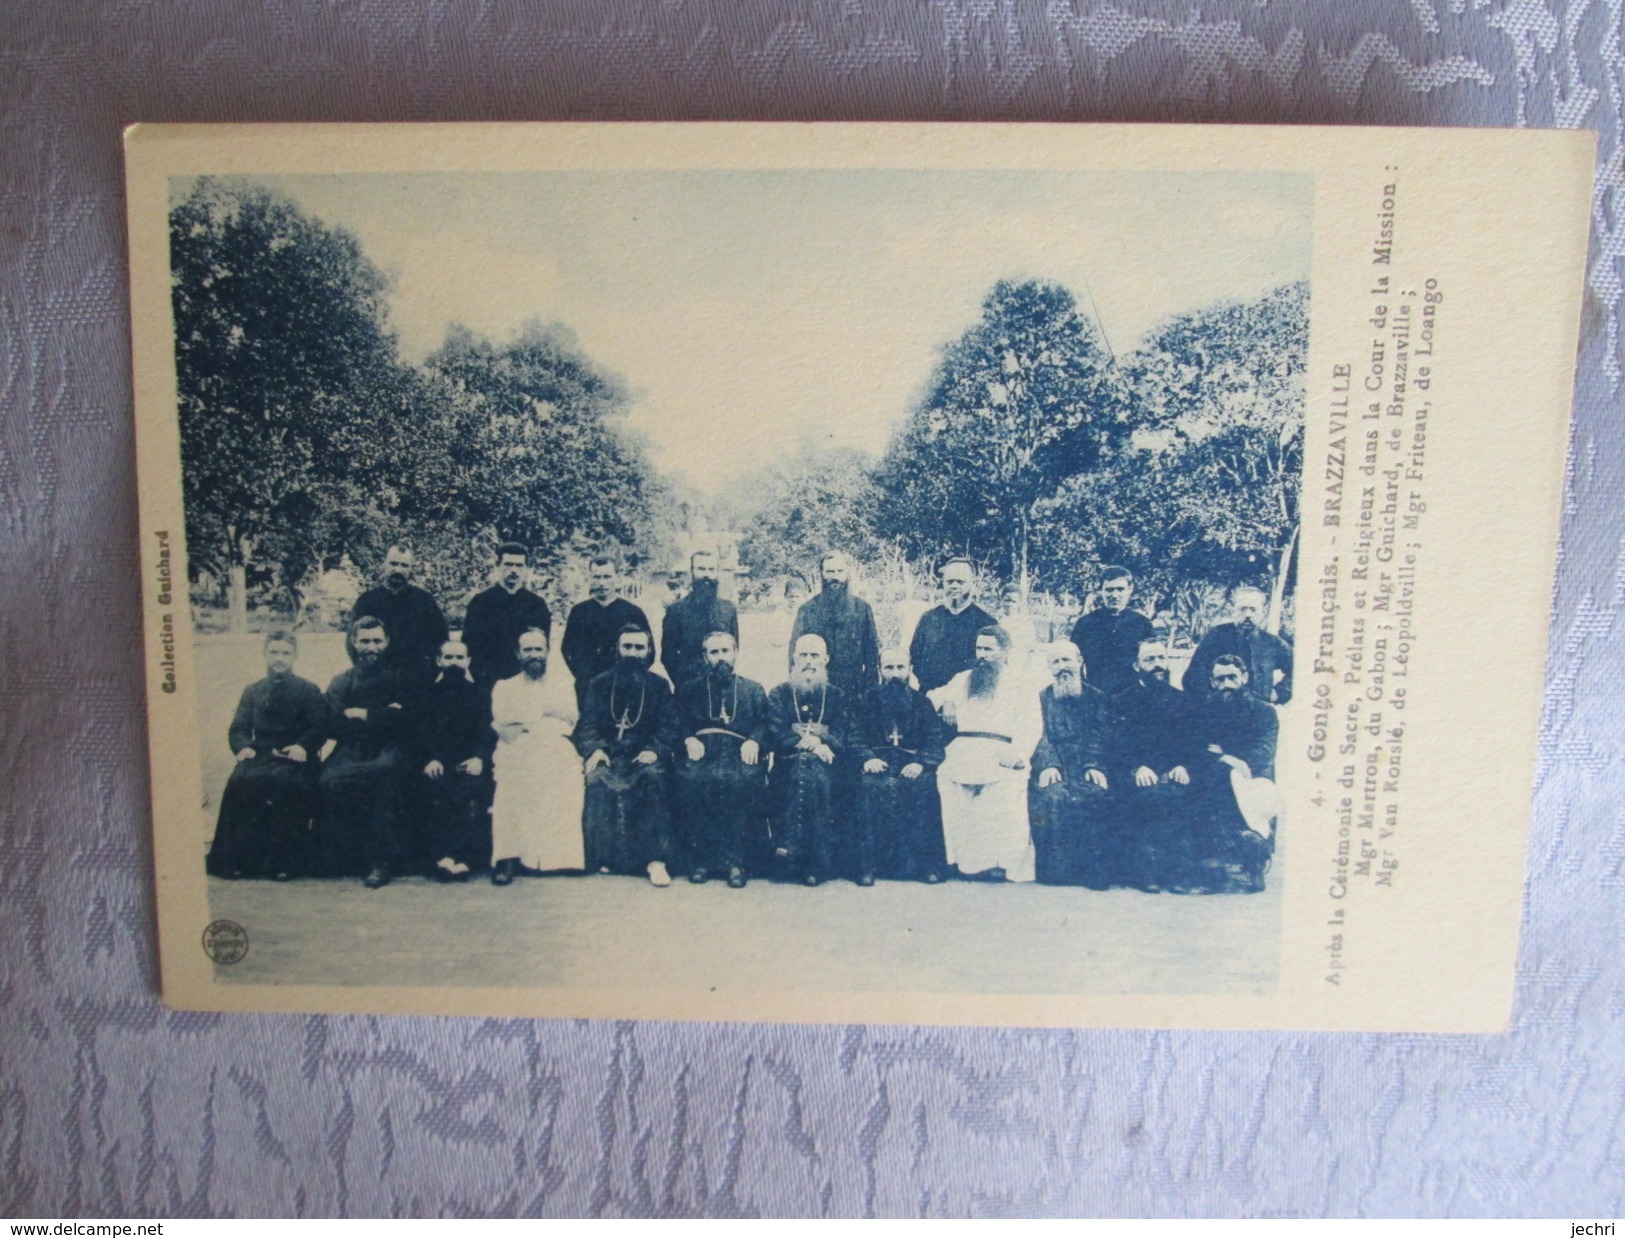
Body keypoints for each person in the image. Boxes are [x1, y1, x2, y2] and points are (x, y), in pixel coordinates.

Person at [205, 630, 325, 881]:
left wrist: (303, 746)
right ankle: (237, 860)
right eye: (274, 652)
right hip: (261, 754)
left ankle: (284, 862)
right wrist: (243, 747)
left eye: (285, 653)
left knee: (286, 784)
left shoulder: (308, 690)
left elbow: (319, 727)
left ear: (295, 656)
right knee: (240, 782)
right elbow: (238, 727)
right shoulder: (253, 691)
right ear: (264, 654)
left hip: (296, 756)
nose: (279, 658)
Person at [928, 624, 1042, 882]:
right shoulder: (963, 678)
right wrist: (945, 702)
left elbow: (1032, 725)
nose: (981, 655)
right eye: (979, 648)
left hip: (1002, 750)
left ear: (1005, 652)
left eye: (988, 649)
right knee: (948, 781)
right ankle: (962, 862)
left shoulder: (1021, 683)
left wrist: (1018, 754)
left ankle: (999, 863)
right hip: (964, 749)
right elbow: (932, 695)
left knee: (1003, 788)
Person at [315, 616, 414, 887]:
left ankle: (382, 860)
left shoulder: (400, 678)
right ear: (354, 643)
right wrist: (383, 715)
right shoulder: (341, 681)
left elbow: (405, 722)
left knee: (385, 774)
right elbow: (334, 724)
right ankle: (346, 856)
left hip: (389, 748)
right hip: (352, 748)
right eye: (365, 641)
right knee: (328, 779)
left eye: (377, 641)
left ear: (387, 643)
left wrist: (362, 714)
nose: (372, 647)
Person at [575, 625, 676, 886]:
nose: (632, 653)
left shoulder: (659, 685)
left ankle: (655, 860)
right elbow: (587, 724)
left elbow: (669, 726)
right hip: (609, 755)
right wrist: (595, 748)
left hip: (644, 756)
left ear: (648, 651)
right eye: (627, 647)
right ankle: (606, 856)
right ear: (617, 650)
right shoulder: (599, 683)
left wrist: (654, 750)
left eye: (639, 648)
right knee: (596, 778)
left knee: (653, 779)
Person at [672, 630, 769, 887]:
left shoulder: (753, 689)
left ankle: (736, 862)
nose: (721, 657)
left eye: (725, 651)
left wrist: (755, 740)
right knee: (694, 780)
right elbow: (677, 721)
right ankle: (700, 861)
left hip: (740, 750)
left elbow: (764, 723)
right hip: (703, 749)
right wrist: (688, 738)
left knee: (742, 782)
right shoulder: (690, 688)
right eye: (714, 652)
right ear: (705, 657)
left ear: (736, 652)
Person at [489, 627, 584, 884]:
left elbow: (569, 720)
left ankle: (560, 858)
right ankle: (508, 857)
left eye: (538, 649)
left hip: (555, 746)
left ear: (547, 652)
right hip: (516, 748)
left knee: (567, 778)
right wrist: (543, 716)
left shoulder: (563, 685)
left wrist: (528, 720)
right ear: (518, 654)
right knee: (512, 782)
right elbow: (505, 726)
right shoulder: (504, 687)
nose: (534, 655)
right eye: (527, 650)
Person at [1183, 654, 1279, 893]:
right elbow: (1195, 749)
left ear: (1244, 678)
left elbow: (1263, 752)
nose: (1227, 684)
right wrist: (1225, 758)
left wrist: (1226, 755)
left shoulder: (1264, 712)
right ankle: (1213, 866)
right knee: (1207, 785)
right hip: (1216, 777)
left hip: (1252, 779)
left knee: (1256, 800)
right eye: (1220, 679)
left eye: (1232, 677)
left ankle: (1254, 863)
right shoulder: (1204, 711)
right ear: (1213, 682)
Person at [1107, 638, 1196, 892]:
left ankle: (1178, 873)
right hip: (1135, 772)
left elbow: (1191, 741)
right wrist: (1137, 767)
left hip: (1172, 771)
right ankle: (1147, 872)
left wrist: (1181, 764)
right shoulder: (1121, 700)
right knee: (1145, 796)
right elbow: (1116, 744)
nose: (1157, 665)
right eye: (1149, 659)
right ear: (1136, 665)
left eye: (1161, 658)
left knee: (1180, 795)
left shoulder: (1182, 701)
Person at [854, 647, 948, 884]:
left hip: (911, 763)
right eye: (888, 668)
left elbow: (935, 741)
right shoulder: (865, 700)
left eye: (900, 668)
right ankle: (867, 866)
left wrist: (921, 763)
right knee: (868, 788)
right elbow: (854, 737)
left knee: (925, 787)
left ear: (909, 670)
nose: (895, 674)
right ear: (879, 671)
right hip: (878, 762)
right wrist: (867, 757)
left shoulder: (922, 703)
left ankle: (927, 866)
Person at [765, 634, 852, 885]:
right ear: (794, 658)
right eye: (803, 655)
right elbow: (776, 733)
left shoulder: (837, 696)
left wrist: (824, 743)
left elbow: (843, 736)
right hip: (787, 765)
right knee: (803, 764)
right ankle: (816, 862)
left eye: (814, 656)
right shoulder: (780, 693)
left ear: (825, 659)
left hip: (828, 767)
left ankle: (789, 848)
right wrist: (813, 743)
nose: (808, 661)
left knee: (809, 767)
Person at [1029, 641, 1116, 887]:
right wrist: (1048, 764)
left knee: (1097, 794)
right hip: (1055, 765)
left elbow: (1101, 736)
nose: (1062, 667)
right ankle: (1057, 874)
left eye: (1067, 660)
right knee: (1053, 796)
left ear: (1079, 661)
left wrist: (1094, 765)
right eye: (1056, 662)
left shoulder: (1098, 698)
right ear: (1049, 667)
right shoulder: (1040, 699)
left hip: (1085, 763)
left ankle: (1094, 873)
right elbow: (1038, 735)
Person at [415, 639, 492, 881]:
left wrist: (479, 757)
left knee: (469, 792)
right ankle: (445, 857)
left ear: (468, 661)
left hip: (470, 763)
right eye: (448, 658)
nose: (454, 663)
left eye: (459, 658)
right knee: (438, 792)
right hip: (437, 763)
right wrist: (430, 759)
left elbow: (487, 731)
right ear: (438, 661)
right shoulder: (426, 694)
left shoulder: (480, 694)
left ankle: (462, 858)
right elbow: (418, 732)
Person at [561, 556, 653, 708]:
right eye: (597, 577)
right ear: (590, 578)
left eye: (607, 577)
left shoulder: (633, 612)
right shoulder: (579, 612)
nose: (602, 583)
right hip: (588, 686)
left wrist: (632, 674)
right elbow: (567, 649)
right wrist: (582, 676)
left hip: (624, 685)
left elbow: (649, 652)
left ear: (617, 577)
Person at [349, 543, 449, 683]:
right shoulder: (367, 601)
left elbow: (441, 642)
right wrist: (367, 673)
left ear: (411, 568)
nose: (398, 569)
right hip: (376, 682)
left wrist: (428, 675)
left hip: (416, 682)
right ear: (384, 564)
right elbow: (352, 642)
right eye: (393, 563)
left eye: (404, 565)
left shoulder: (424, 601)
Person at [461, 542, 553, 688]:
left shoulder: (537, 605)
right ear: (498, 566)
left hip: (525, 681)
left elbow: (542, 647)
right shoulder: (480, 603)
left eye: (519, 566)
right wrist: (484, 679)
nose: (514, 570)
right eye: (508, 565)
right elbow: (470, 647)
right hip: (488, 682)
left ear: (526, 569)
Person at [789, 551, 880, 699]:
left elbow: (871, 654)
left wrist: (870, 691)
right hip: (818, 688)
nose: (835, 577)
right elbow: (795, 654)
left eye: (840, 571)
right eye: (830, 572)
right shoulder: (807, 610)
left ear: (847, 573)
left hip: (854, 689)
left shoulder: (862, 608)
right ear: (822, 574)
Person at [1184, 585, 1293, 704]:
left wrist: (1279, 692)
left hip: (1258, 711)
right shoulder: (1216, 636)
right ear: (1233, 610)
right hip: (1223, 710)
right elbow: (1192, 677)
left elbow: (1300, 668)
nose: (1248, 615)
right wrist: (1211, 700)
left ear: (1263, 611)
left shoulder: (1272, 642)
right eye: (1242, 609)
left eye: (1253, 609)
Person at [907, 558, 998, 695]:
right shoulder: (928, 619)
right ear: (943, 583)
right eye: (950, 582)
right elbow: (915, 658)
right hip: (930, 697)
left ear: (972, 584)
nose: (954, 586)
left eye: (960, 582)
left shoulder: (987, 623)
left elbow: (992, 667)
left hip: (968, 699)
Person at [1068, 566, 1154, 698]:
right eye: (1109, 590)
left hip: (1132, 698)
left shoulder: (1143, 624)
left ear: (1130, 589)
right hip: (1094, 697)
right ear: (1100, 591)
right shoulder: (1085, 624)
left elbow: (1151, 662)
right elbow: (1073, 661)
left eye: (1120, 589)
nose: (1115, 595)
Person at [661, 550, 739, 691]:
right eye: (701, 569)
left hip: (722, 687)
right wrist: (684, 684)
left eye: (711, 569)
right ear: (692, 572)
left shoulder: (728, 609)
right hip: (688, 689)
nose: (706, 575)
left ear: (717, 572)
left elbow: (734, 647)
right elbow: (667, 656)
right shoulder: (676, 611)